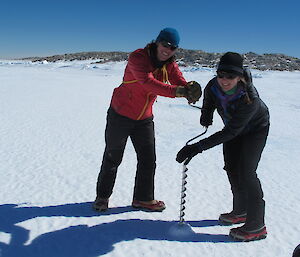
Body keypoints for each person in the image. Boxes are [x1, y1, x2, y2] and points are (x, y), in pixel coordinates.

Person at [94, 28, 201, 212]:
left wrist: (188, 89)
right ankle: (102, 197)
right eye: (165, 45)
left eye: (172, 47)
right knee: (113, 157)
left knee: (148, 159)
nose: (167, 50)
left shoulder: (170, 64)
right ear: (156, 43)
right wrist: (178, 92)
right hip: (120, 114)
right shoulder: (138, 57)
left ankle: (143, 199)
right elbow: (147, 82)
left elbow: (178, 79)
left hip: (144, 118)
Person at [176, 52, 270, 241]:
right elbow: (210, 99)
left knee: (247, 171)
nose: (224, 80)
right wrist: (206, 113)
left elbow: (230, 133)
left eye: (230, 76)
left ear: (240, 77)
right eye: (221, 75)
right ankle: (241, 210)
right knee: (232, 169)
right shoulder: (213, 85)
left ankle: (257, 224)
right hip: (233, 129)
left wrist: (196, 147)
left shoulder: (250, 98)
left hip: (255, 130)